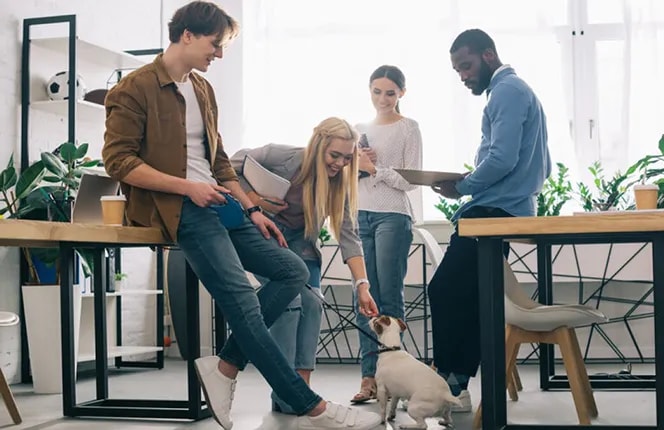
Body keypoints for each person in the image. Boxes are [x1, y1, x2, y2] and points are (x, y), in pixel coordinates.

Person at [101, 2, 381, 429]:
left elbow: (219, 165)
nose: (219, 55)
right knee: (245, 304)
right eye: (216, 45)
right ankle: (312, 407)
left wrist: (251, 209)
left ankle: (226, 366)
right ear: (188, 35)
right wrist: (187, 187)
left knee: (291, 271)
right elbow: (118, 162)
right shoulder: (134, 88)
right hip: (181, 209)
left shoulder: (202, 91)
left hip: (220, 205)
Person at [428, 28, 551, 412]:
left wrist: (463, 186)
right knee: (468, 295)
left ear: (488, 55)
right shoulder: (514, 92)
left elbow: (501, 160)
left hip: (492, 212)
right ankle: (457, 384)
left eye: (465, 66)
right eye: (457, 70)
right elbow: (535, 165)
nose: (463, 76)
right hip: (503, 209)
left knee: (446, 291)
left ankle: (452, 385)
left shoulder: (507, 92)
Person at [229, 117, 379, 414]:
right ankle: (287, 391)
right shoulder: (282, 156)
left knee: (313, 305)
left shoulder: (340, 184)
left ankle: (301, 391)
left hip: (301, 243)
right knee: (290, 302)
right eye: (334, 155)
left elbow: (349, 236)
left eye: (347, 158)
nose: (339, 163)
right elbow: (228, 166)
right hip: (264, 234)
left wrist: (363, 286)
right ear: (318, 144)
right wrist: (254, 200)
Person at [350, 65, 423, 404]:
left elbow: (410, 180)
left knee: (389, 298)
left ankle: (396, 381)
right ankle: (369, 379)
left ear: (401, 94)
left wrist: (374, 169)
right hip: (359, 215)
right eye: (377, 91)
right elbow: (344, 176)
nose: (383, 99)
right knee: (364, 299)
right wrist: (356, 166)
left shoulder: (409, 128)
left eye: (390, 93)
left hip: (393, 216)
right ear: (369, 90)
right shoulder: (358, 130)